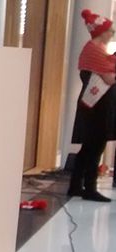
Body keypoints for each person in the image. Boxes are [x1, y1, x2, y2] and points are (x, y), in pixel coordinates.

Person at [68, 9, 116, 203]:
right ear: (101, 32)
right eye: (110, 30)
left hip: (95, 106)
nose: (112, 33)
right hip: (96, 108)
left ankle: (76, 186)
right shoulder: (94, 52)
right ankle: (90, 188)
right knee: (95, 146)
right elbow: (109, 78)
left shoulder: (97, 51)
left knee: (89, 147)